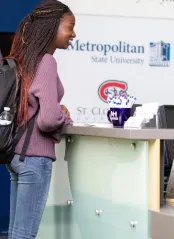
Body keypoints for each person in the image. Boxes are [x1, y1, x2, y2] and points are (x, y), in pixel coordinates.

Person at [5, 0, 76, 238]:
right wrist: (65, 118)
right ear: (52, 27)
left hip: (16, 155)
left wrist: (56, 108)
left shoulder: (25, 59)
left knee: (17, 233)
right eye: (70, 26)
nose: (73, 34)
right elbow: (47, 120)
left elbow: (34, 108)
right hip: (34, 158)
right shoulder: (46, 61)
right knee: (24, 235)